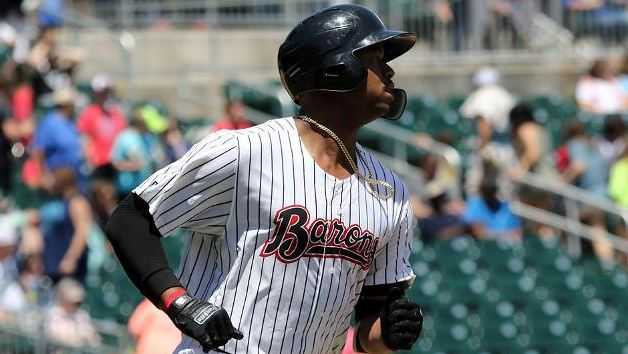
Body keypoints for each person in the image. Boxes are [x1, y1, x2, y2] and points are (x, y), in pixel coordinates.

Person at [106, 5, 423, 354]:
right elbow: (129, 220)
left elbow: (367, 336)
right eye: (376, 58)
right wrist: (180, 302)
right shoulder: (245, 152)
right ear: (337, 69)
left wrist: (389, 333)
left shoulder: (391, 193)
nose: (390, 70)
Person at [40, 168, 91, 284]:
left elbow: (82, 232)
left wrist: (71, 259)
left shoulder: (77, 202)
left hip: (70, 268)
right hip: (54, 265)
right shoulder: (61, 202)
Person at [31, 87, 84, 187]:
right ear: (65, 105)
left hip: (73, 180)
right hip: (57, 181)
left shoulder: (71, 123)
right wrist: (44, 176)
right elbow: (38, 151)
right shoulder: (49, 123)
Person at [76, 74, 127, 174]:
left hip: (116, 164)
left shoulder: (117, 113)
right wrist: (89, 159)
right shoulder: (89, 113)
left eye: (107, 92)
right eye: (102, 92)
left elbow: (122, 135)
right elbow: (84, 139)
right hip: (98, 165)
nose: (105, 95)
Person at [463, 172, 522, 242]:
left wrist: (491, 234)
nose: (489, 194)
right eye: (486, 191)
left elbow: (517, 234)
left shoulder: (507, 207)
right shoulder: (475, 204)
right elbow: (475, 231)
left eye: (492, 190)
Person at [45, 278, 100, 348]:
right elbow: (56, 337)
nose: (76, 305)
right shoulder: (53, 314)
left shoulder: (82, 315)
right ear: (63, 298)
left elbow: (94, 339)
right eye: (73, 302)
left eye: (78, 303)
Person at [110, 111, 154, 197]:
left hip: (142, 188)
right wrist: (134, 166)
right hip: (128, 189)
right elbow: (115, 162)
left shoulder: (145, 137)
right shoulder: (126, 137)